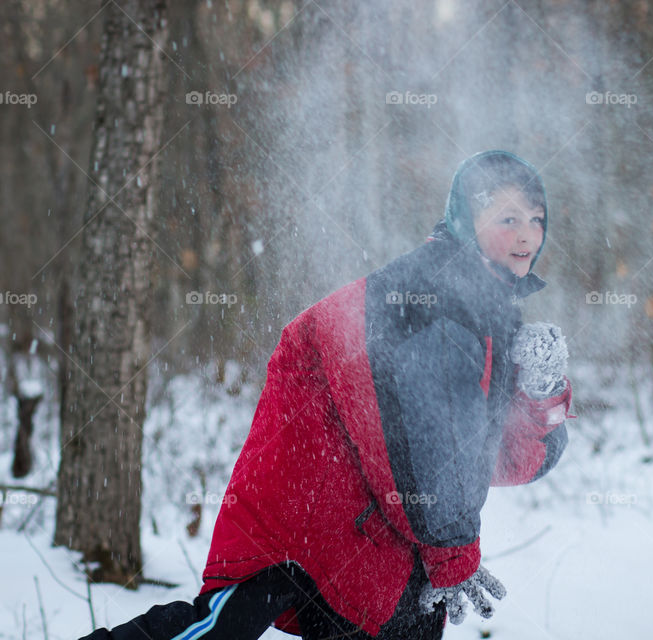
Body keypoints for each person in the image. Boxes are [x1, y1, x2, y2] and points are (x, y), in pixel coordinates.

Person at [80, 150, 575, 640]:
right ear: (467, 219)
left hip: (376, 543)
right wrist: (453, 553)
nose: (528, 234)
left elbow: (492, 459)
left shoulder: (488, 318)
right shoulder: (425, 295)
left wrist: (541, 394)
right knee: (213, 633)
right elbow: (418, 446)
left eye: (537, 218)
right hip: (305, 525)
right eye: (508, 217)